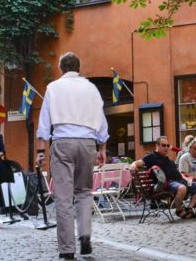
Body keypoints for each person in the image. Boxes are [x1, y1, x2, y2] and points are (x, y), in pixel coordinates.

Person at [36, 52, 109, 260]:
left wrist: (41, 152)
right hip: (87, 143)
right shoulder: (91, 88)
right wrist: (102, 148)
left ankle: (67, 249)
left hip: (62, 143)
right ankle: (85, 235)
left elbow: (44, 123)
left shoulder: (53, 88)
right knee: (84, 192)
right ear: (79, 67)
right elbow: (101, 122)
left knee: (64, 198)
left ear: (61, 68)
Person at [132, 136, 196, 219]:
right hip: (167, 184)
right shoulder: (151, 157)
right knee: (182, 188)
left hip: (180, 181)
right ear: (157, 145)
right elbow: (138, 162)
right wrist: (134, 165)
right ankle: (179, 210)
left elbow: (178, 173)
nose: (166, 148)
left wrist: (186, 178)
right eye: (163, 145)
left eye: (167, 145)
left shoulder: (168, 159)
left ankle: (189, 207)